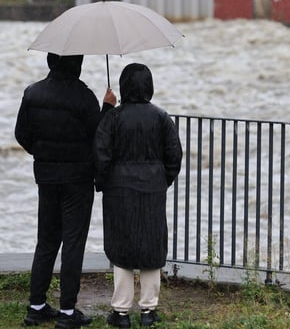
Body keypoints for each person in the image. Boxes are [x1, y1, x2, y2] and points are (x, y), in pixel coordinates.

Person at [15, 53, 116, 329]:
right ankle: (68, 312)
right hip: (77, 180)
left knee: (46, 240)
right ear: (77, 64)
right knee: (73, 243)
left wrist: (43, 154)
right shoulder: (83, 97)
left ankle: (36, 307)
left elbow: (21, 135)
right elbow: (99, 139)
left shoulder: (32, 93)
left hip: (46, 177)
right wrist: (108, 108)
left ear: (50, 61)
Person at [93, 63, 183, 328]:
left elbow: (100, 154)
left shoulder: (113, 118)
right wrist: (161, 180)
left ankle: (120, 312)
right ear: (149, 86)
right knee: (151, 246)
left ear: (124, 86)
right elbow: (174, 157)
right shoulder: (161, 117)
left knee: (122, 247)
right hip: (153, 189)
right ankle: (148, 309)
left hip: (119, 191)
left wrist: (104, 183)